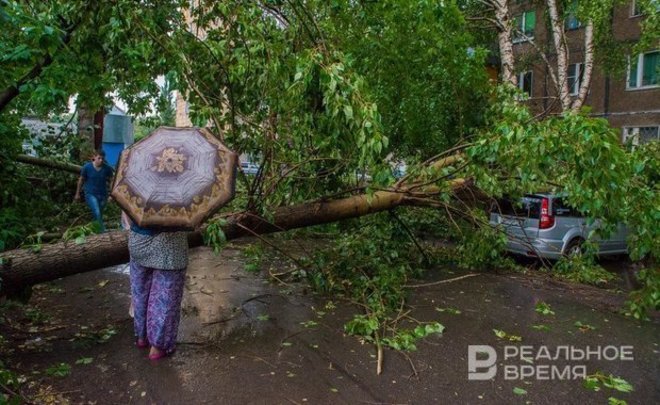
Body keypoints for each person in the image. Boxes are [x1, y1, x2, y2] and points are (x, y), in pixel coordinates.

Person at [122, 212, 189, 360]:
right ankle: (158, 346)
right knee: (164, 297)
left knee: (140, 291)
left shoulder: (137, 188)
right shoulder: (178, 190)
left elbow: (126, 217)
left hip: (138, 241)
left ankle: (142, 337)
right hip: (170, 245)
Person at [74, 150, 114, 232]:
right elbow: (81, 180)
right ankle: (102, 232)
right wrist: (77, 194)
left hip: (103, 195)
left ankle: (92, 231)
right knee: (97, 211)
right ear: (94, 157)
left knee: (98, 215)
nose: (101, 160)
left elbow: (112, 181)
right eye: (99, 158)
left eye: (102, 159)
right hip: (90, 193)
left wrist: (111, 194)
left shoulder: (107, 169)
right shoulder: (87, 167)